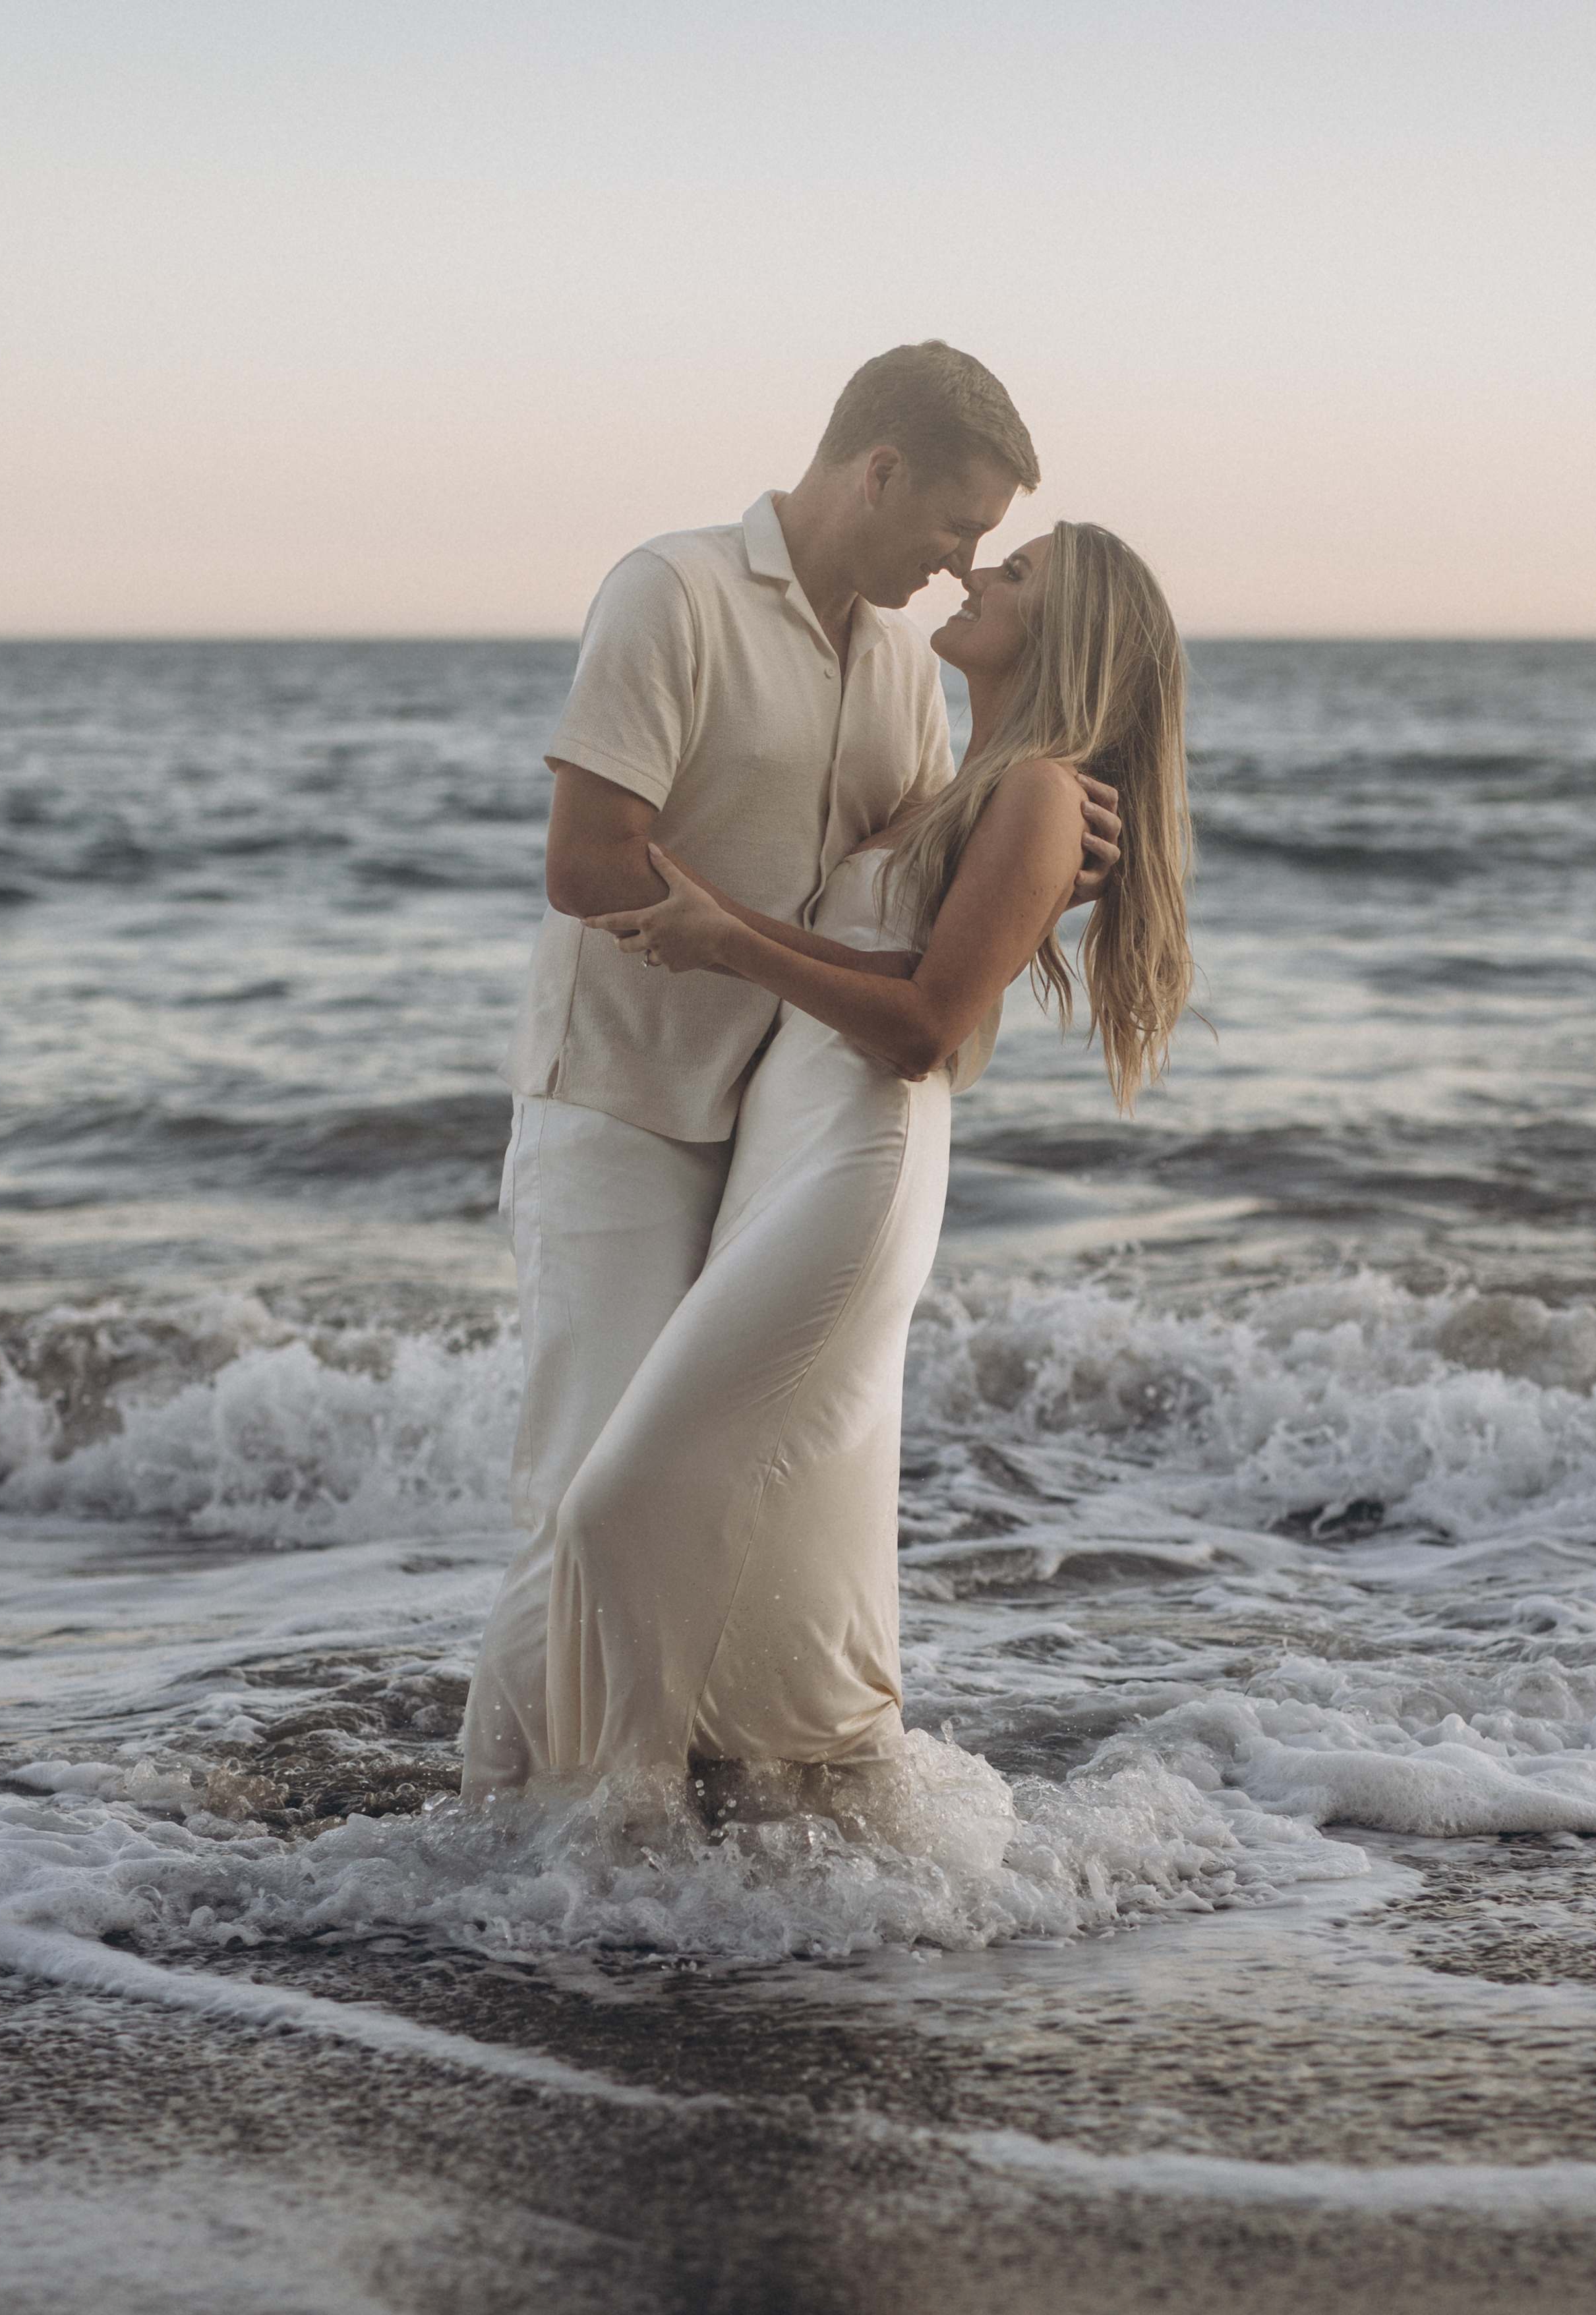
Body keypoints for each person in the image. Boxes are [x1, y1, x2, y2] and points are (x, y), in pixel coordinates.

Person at [456, 342, 1114, 1799]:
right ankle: (499, 1826)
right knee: (585, 1491)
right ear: (877, 470)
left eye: (987, 546)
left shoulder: (895, 663)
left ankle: (658, 1797)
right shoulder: (673, 592)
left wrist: (1033, 878)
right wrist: (733, 938)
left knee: (704, 1497)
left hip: (781, 1137)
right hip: (621, 1106)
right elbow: (586, 866)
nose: (963, 564)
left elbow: (896, 905)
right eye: (956, 523)